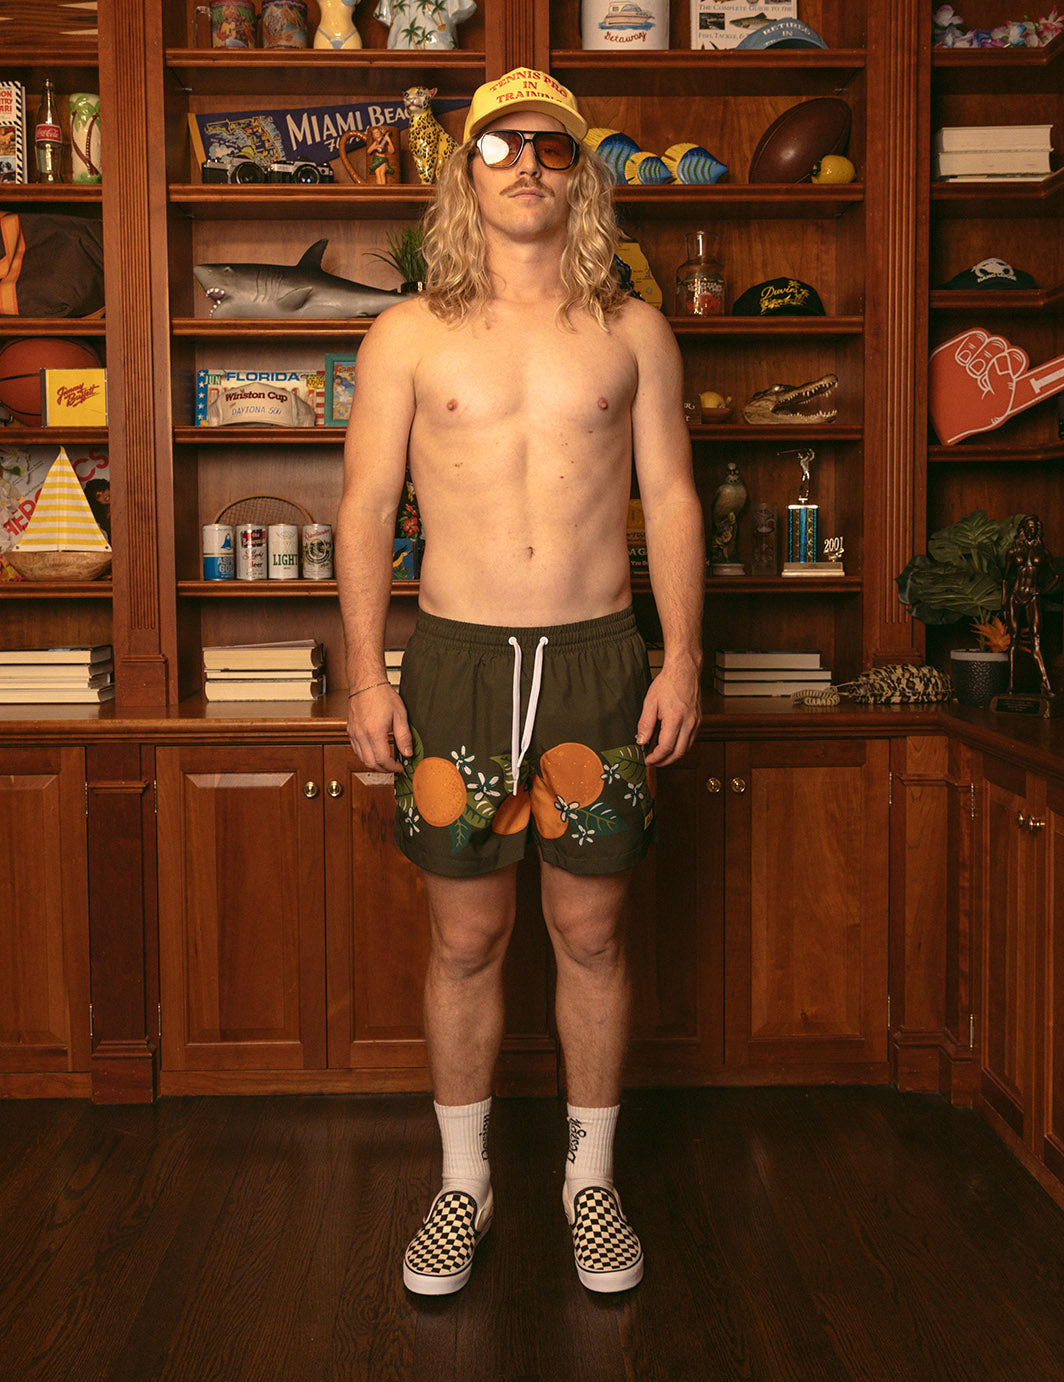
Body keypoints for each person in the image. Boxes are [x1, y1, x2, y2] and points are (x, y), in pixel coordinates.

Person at [336, 67, 704, 1297]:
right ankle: (464, 1183)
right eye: (502, 147)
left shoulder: (633, 331)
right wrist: (364, 676)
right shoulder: (406, 333)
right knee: (465, 937)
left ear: (580, 173)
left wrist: (681, 655)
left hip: (597, 660)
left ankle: (588, 1182)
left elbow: (673, 499)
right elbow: (362, 507)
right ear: (466, 172)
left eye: (552, 147)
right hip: (455, 662)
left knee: (590, 934)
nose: (527, 167)